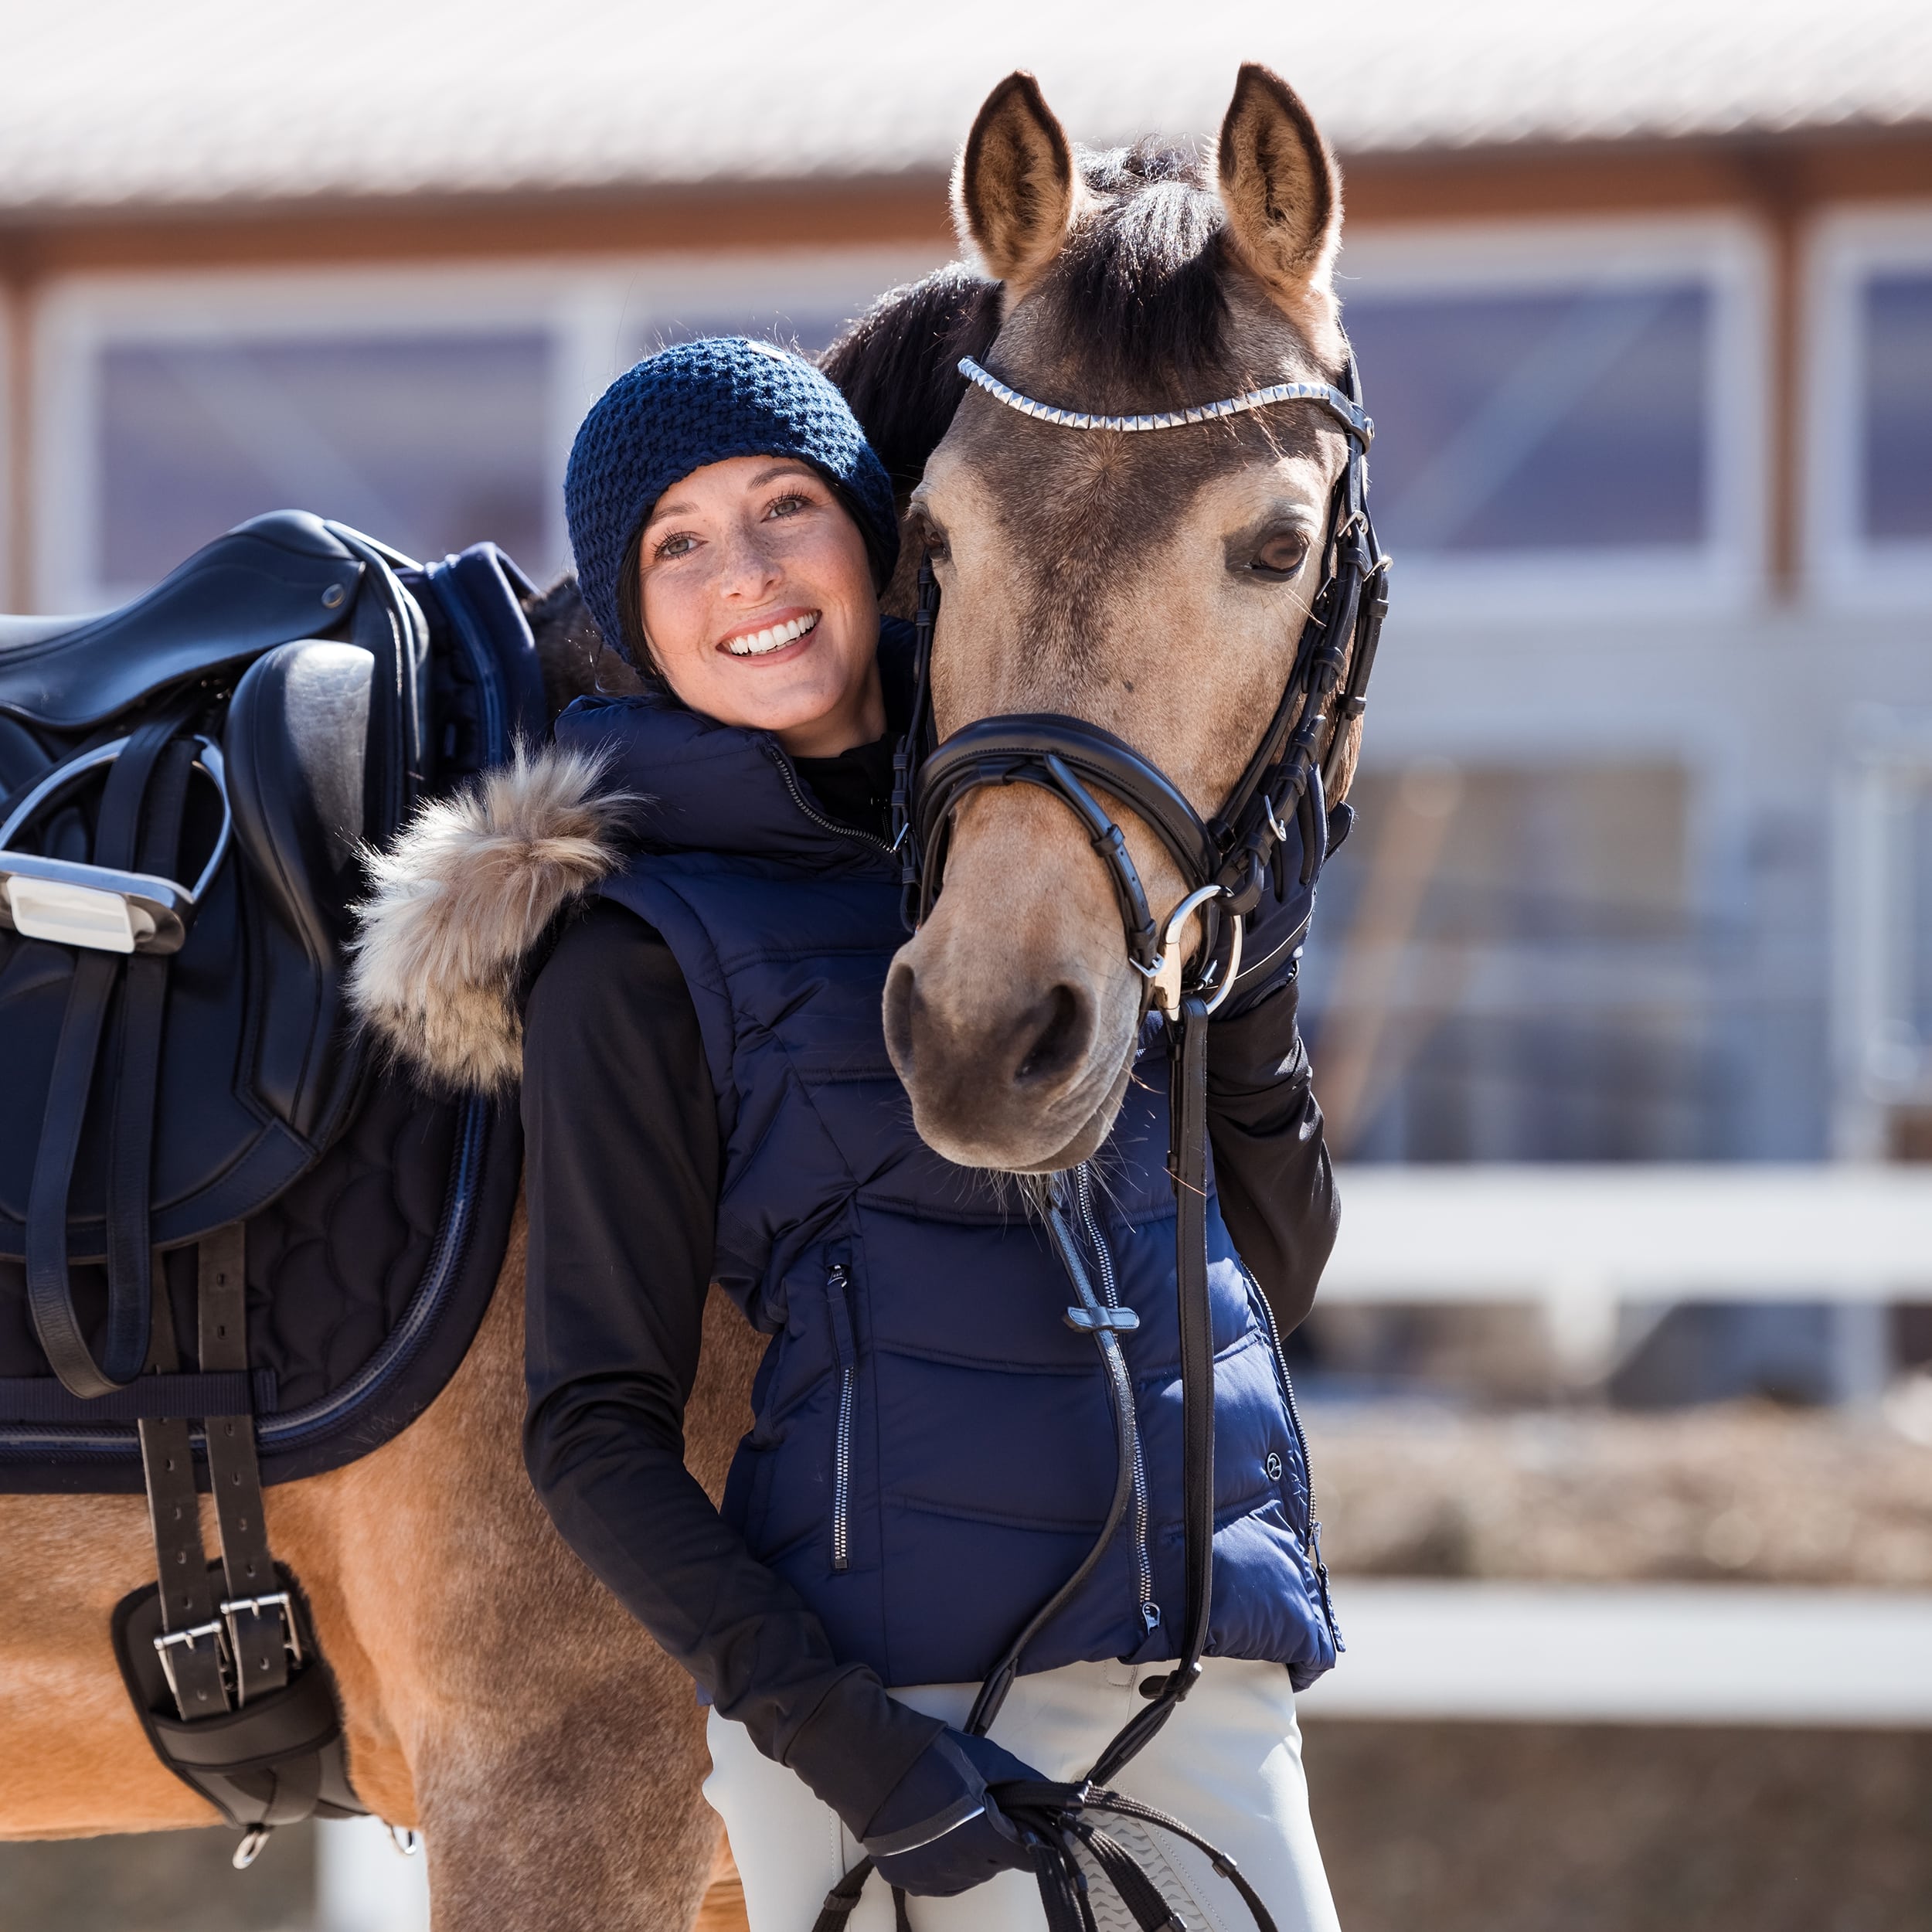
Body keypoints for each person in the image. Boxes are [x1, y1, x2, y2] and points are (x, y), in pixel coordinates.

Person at [522, 336, 1344, 1930]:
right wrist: (856, 1751)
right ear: (634, 615)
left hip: (1205, 1680)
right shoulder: (633, 949)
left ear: (876, 532)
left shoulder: (1065, 847)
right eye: (674, 543)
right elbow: (589, 1426)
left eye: (781, 506)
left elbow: (1272, 1278)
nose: (743, 572)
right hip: (906, 1720)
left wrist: (1253, 982)